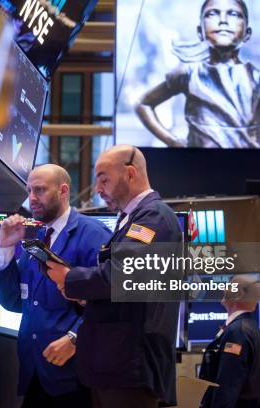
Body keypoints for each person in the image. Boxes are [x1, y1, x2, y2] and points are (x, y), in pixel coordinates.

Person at [47, 145, 183, 408]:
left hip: (130, 367)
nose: (98, 189)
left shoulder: (152, 217)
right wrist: (90, 298)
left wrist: (70, 278)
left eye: (103, 178)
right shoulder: (134, 218)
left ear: (130, 173)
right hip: (119, 366)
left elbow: (121, 274)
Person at [0, 164, 111, 408]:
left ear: (63, 191)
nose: (32, 199)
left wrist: (75, 337)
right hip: (36, 371)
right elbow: (13, 301)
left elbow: (109, 303)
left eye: (40, 190)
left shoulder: (94, 236)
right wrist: (5, 249)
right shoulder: (36, 241)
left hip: (74, 376)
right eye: (29, 191)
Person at [134, 0, 260, 149]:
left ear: (247, 33)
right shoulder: (189, 74)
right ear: (200, 32)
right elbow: (143, 103)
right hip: (197, 170)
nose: (223, 20)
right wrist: (172, 141)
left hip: (250, 171)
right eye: (212, 13)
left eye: (234, 14)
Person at [199, 274, 260, 408]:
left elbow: (227, 385)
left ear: (237, 296)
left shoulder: (238, 332)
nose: (225, 289)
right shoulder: (251, 329)